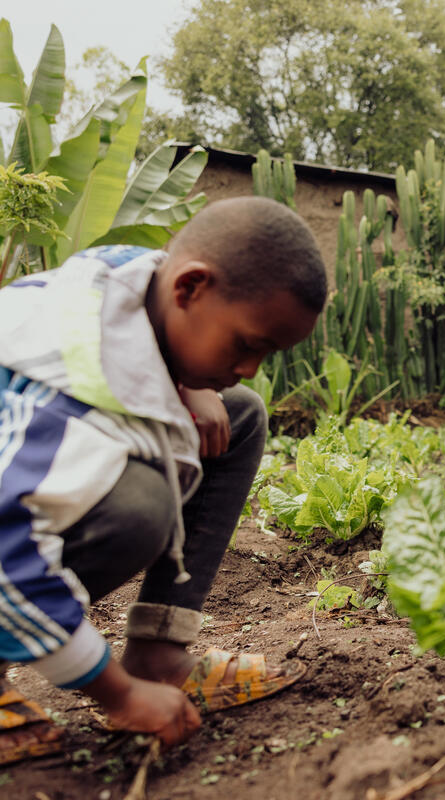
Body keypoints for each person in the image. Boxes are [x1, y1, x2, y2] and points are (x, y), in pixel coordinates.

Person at [0, 197, 327, 764]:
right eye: (248, 345)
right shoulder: (58, 400)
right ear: (190, 290)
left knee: (238, 412)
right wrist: (115, 694)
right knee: (138, 508)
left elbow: (129, 260)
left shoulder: (133, 282)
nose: (250, 367)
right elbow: (5, 556)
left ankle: (159, 656)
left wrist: (189, 380)